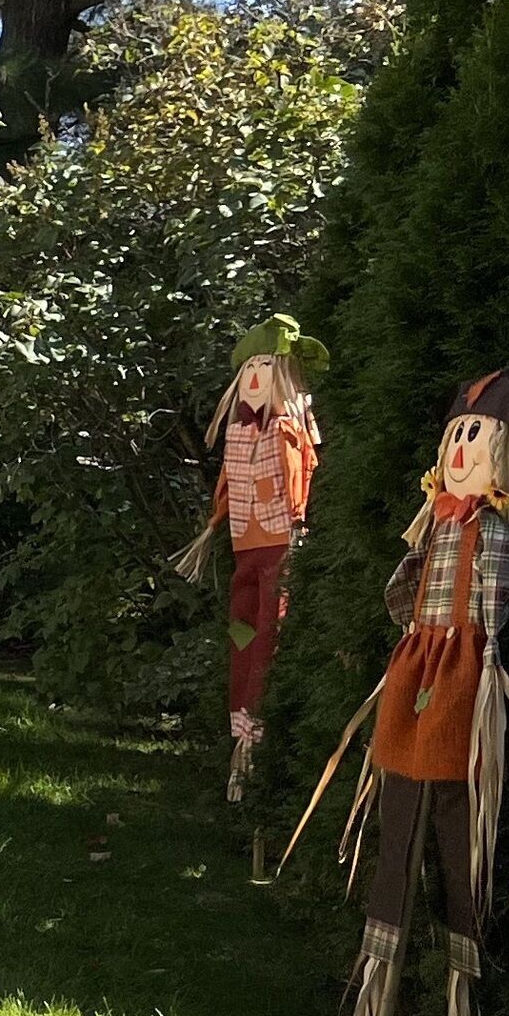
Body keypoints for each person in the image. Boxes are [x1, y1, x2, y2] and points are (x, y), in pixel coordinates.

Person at [283, 369, 509, 1016]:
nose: (461, 448)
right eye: (455, 434)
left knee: (455, 833)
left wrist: (482, 660)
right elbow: (406, 589)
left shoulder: (491, 528)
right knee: (395, 820)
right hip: (413, 674)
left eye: (475, 437)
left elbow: (494, 612)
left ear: (502, 453)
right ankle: (372, 1001)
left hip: (460, 681)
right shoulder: (439, 519)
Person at [179, 317, 325, 799]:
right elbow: (230, 487)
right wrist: (215, 526)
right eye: (252, 366)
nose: (258, 376)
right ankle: (240, 732)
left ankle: (257, 738)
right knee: (242, 633)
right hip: (246, 548)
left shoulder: (289, 431)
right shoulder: (239, 435)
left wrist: (296, 529)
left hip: (279, 548)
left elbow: (297, 487)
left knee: (269, 635)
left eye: (268, 364)